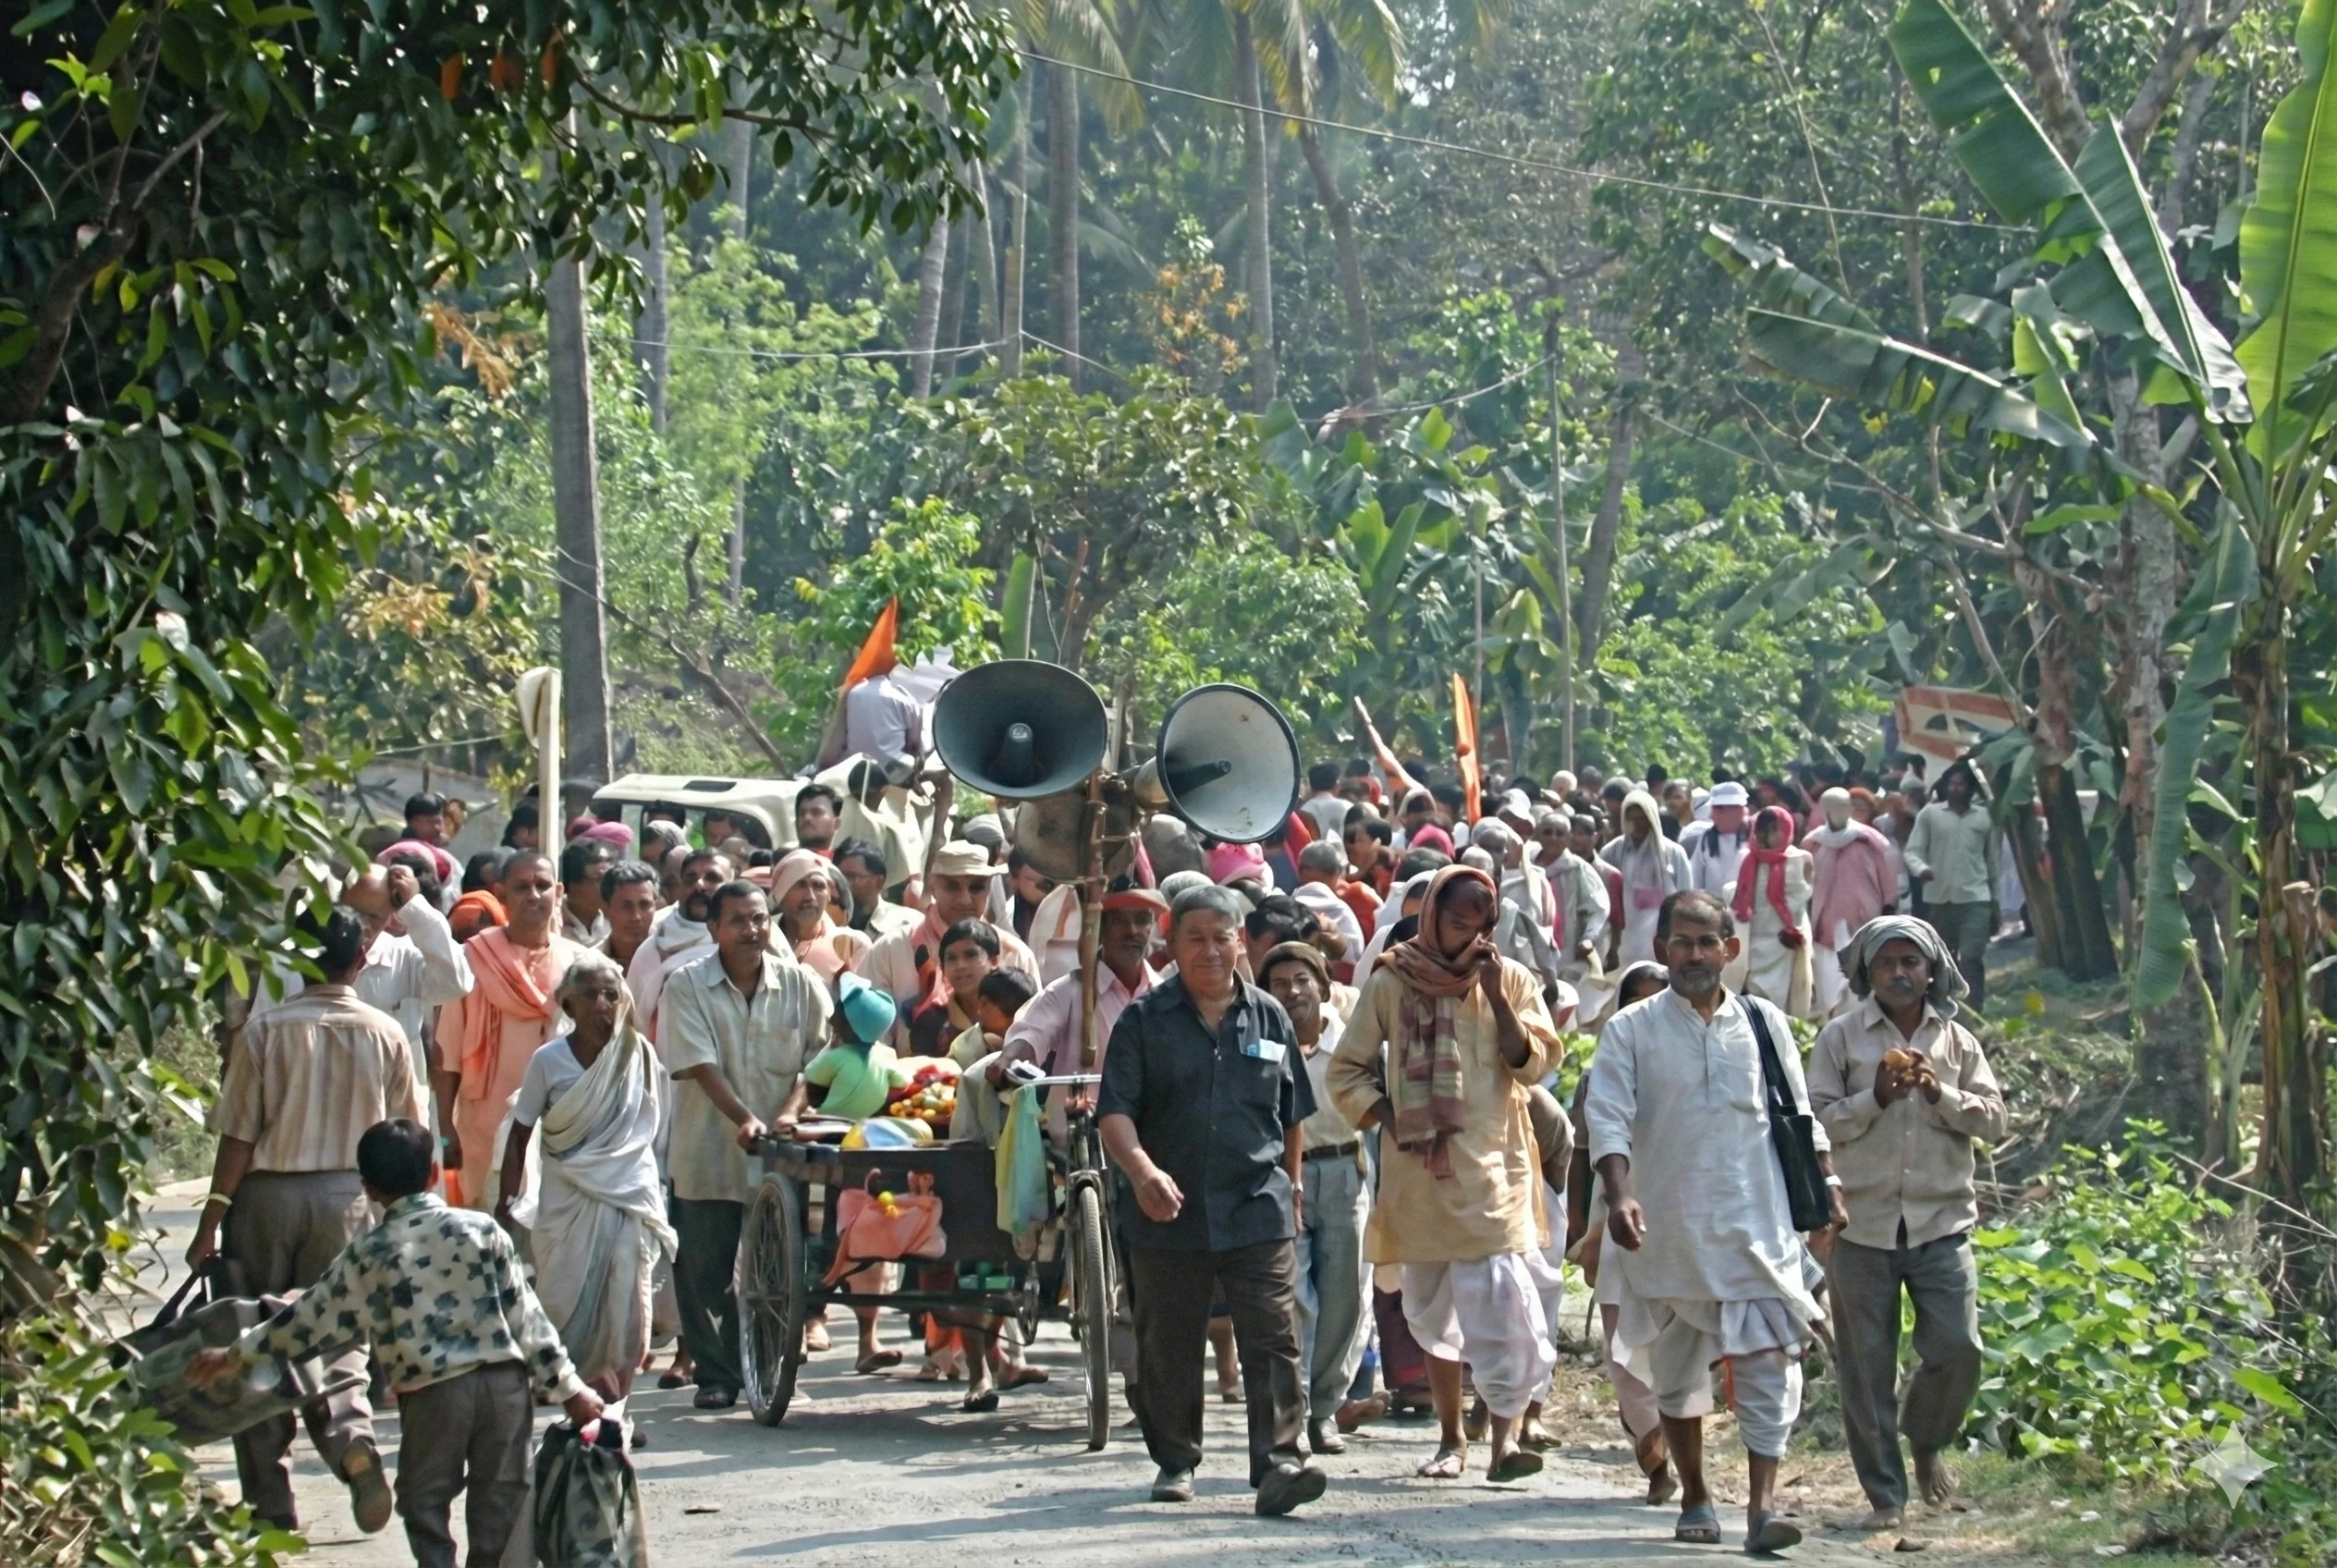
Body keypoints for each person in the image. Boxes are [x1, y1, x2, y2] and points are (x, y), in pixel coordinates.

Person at [190, 1120, 604, 1568]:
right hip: (505, 1389)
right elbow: (529, 1319)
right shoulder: (483, 1231)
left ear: (367, 1187)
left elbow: (306, 1320)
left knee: (424, 1501)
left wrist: (236, 1355)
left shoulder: (369, 1253)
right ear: (433, 1172)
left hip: (433, 1396)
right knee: (500, 1502)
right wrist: (572, 1390)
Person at [1585, 889, 1847, 1552]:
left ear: (1730, 949)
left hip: (1758, 1226)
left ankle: (1762, 1507)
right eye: (1683, 942)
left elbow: (1799, 1115)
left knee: (1768, 1363)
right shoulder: (1631, 1029)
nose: (1696, 955)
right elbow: (1607, 1118)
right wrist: (1619, 1196)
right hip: (1670, 1231)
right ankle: (1696, 1493)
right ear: (1662, 948)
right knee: (1676, 1371)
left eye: (1708, 942)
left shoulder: (1764, 1022)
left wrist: (1828, 1184)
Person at [1328, 865, 1563, 1486]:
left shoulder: (1511, 978)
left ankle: (1504, 1441)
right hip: (1421, 1175)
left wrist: (1497, 995)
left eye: (1481, 927)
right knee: (1430, 1312)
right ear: (1433, 916)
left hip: (1495, 1171)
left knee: (1504, 1306)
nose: (1469, 937)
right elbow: (1346, 1072)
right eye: (1458, 923)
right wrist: (1393, 1120)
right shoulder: (1392, 981)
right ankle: (1452, 1437)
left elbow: (1534, 1064)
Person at [186, 908, 419, 1536]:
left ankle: (271, 1505)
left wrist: (211, 1219)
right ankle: (351, 1441)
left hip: (265, 1199)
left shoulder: (265, 1031)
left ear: (295, 959)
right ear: (361, 960)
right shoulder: (386, 1033)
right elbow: (406, 1136)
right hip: (350, 1198)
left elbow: (238, 1135)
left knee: (255, 1333)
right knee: (340, 1336)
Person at [1098, 885, 1326, 1517]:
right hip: (1166, 1210)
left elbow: (1291, 1114)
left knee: (1273, 1337)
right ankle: (1175, 1459)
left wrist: (1294, 1183)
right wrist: (1142, 1171)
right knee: (1169, 1341)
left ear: (1239, 943)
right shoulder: (1144, 1021)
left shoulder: (1270, 1017)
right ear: (1171, 945)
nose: (1209, 951)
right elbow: (1114, 1112)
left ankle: (1280, 1463)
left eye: (1221, 938)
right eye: (1194, 938)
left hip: (1257, 1204)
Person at [1807, 917, 2006, 1529]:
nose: (1898, 973)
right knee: (1866, 1368)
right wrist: (1877, 1098)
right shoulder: (1841, 1038)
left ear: (1931, 971)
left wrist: (1939, 1094)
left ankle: (1926, 1438)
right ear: (1868, 972)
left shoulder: (1957, 1042)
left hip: (1941, 1220)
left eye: (1910, 962)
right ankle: (1886, 1497)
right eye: (1886, 963)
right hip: (1860, 1225)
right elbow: (1813, 1122)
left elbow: (1994, 1119)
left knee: (1958, 1348)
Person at [661, 880, 833, 1408]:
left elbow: (821, 1064)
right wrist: (745, 1118)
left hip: (781, 1154)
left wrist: (788, 1113)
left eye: (759, 919)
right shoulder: (686, 985)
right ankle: (716, 1376)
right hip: (707, 1149)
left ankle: (769, 1372)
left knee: (776, 1273)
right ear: (714, 929)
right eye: (737, 920)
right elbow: (700, 1064)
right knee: (704, 1272)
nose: (751, 930)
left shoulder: (801, 984)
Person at [496, 954, 675, 1403]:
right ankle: (567, 1385)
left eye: (611, 995)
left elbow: (651, 1129)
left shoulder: (638, 1055)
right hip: (566, 1196)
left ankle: (616, 1399)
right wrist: (506, 1200)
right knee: (562, 1292)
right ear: (568, 1005)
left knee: (627, 1298)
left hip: (628, 1194)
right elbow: (521, 1133)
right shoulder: (548, 1060)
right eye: (590, 995)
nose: (601, 1004)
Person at [1562, 961, 1677, 1504]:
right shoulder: (1600, 1074)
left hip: (1680, 1218)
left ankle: (1676, 1443)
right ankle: (1655, 1458)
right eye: (1634, 1002)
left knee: (1676, 1342)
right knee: (1621, 1345)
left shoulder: (1694, 1064)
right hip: (1616, 1220)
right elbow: (1582, 1152)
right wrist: (1579, 1226)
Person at [1257, 941, 1377, 1455]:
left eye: (1302, 980)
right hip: (1284, 1177)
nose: (1292, 992)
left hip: (1346, 1170)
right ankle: (1297, 1409)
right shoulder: (1259, 1043)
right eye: (1279, 984)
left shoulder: (1352, 1041)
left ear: (1323, 988)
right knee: (1293, 1298)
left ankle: (1327, 1409)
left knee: (1345, 1296)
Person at [438, 852, 585, 1210]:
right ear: (501, 895)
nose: (533, 895)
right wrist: (444, 1129)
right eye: (522, 887)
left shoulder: (579, 964)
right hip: (483, 1125)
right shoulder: (472, 959)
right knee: (485, 1223)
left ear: (558, 892)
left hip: (557, 1125)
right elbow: (447, 1053)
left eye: (542, 886)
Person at [857, 841, 1040, 1042]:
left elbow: (1034, 1034)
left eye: (976, 888)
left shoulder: (1015, 953)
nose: (965, 900)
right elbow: (869, 1036)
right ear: (933, 888)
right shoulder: (890, 950)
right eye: (952, 887)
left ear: (990, 889)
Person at [329, 862, 472, 1090]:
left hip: (391, 1105)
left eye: (373, 917)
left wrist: (415, 906)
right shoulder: (301, 958)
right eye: (354, 913)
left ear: (390, 916)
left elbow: (457, 983)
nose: (361, 926)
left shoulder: (406, 957)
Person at [1903, 762, 1999, 1011]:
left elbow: (1992, 861)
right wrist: (1921, 869)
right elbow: (1912, 851)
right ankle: (1945, 1007)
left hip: (1976, 897)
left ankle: (1974, 1009)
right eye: (1952, 784)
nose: (1956, 789)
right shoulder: (1930, 815)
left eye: (1961, 784)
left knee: (1971, 956)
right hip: (1939, 898)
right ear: (1945, 786)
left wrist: (1995, 901)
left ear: (1971, 789)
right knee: (1943, 958)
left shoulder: (1984, 818)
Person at [1805, 790, 1899, 1017]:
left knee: (1863, 986)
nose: (1837, 813)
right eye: (1831, 808)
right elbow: (1805, 883)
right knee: (1829, 989)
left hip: (1865, 923)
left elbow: (1889, 878)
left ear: (1849, 809)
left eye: (1842, 807)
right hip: (1825, 928)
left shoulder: (1871, 841)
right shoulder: (1814, 843)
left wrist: (1889, 907)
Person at [627, 849, 732, 1047]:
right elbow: (632, 1028)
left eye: (712, 878)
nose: (699, 885)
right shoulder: (652, 949)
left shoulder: (752, 939)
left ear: (731, 886)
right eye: (690, 879)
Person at [1728, 805, 1817, 1018]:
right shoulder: (1746, 858)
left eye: (1776, 829)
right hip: (1754, 939)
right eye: (1764, 830)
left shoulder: (1801, 859)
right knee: (1751, 997)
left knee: (1781, 1006)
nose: (1770, 836)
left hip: (1784, 942)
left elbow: (1802, 899)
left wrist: (1794, 931)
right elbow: (1738, 896)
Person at [1600, 790, 1693, 966]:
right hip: (1624, 930)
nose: (1638, 824)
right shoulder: (1612, 851)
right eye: (1632, 818)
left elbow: (1686, 895)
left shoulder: (1673, 852)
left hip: (1661, 928)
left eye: (1642, 818)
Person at [770, 847, 873, 982]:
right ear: (780, 895)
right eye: (800, 885)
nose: (810, 897)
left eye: (819, 886)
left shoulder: (853, 944)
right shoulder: (761, 939)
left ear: (829, 895)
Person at [1680, 780, 1752, 898]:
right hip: (1714, 906)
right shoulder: (1706, 840)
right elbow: (1694, 879)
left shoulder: (1756, 838)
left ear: (1738, 811)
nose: (1712, 816)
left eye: (1719, 810)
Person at [597, 859, 661, 974]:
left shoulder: (671, 958)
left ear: (656, 905)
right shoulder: (591, 963)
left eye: (644, 905)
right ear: (606, 908)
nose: (636, 917)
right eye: (626, 906)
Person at [558, 837, 616, 945]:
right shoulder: (553, 926)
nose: (610, 886)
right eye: (601, 879)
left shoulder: (615, 924)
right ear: (573, 885)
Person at [794, 782, 843, 855]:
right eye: (802, 814)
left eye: (816, 812)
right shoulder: (783, 860)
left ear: (836, 823)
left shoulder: (846, 861)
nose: (807, 818)